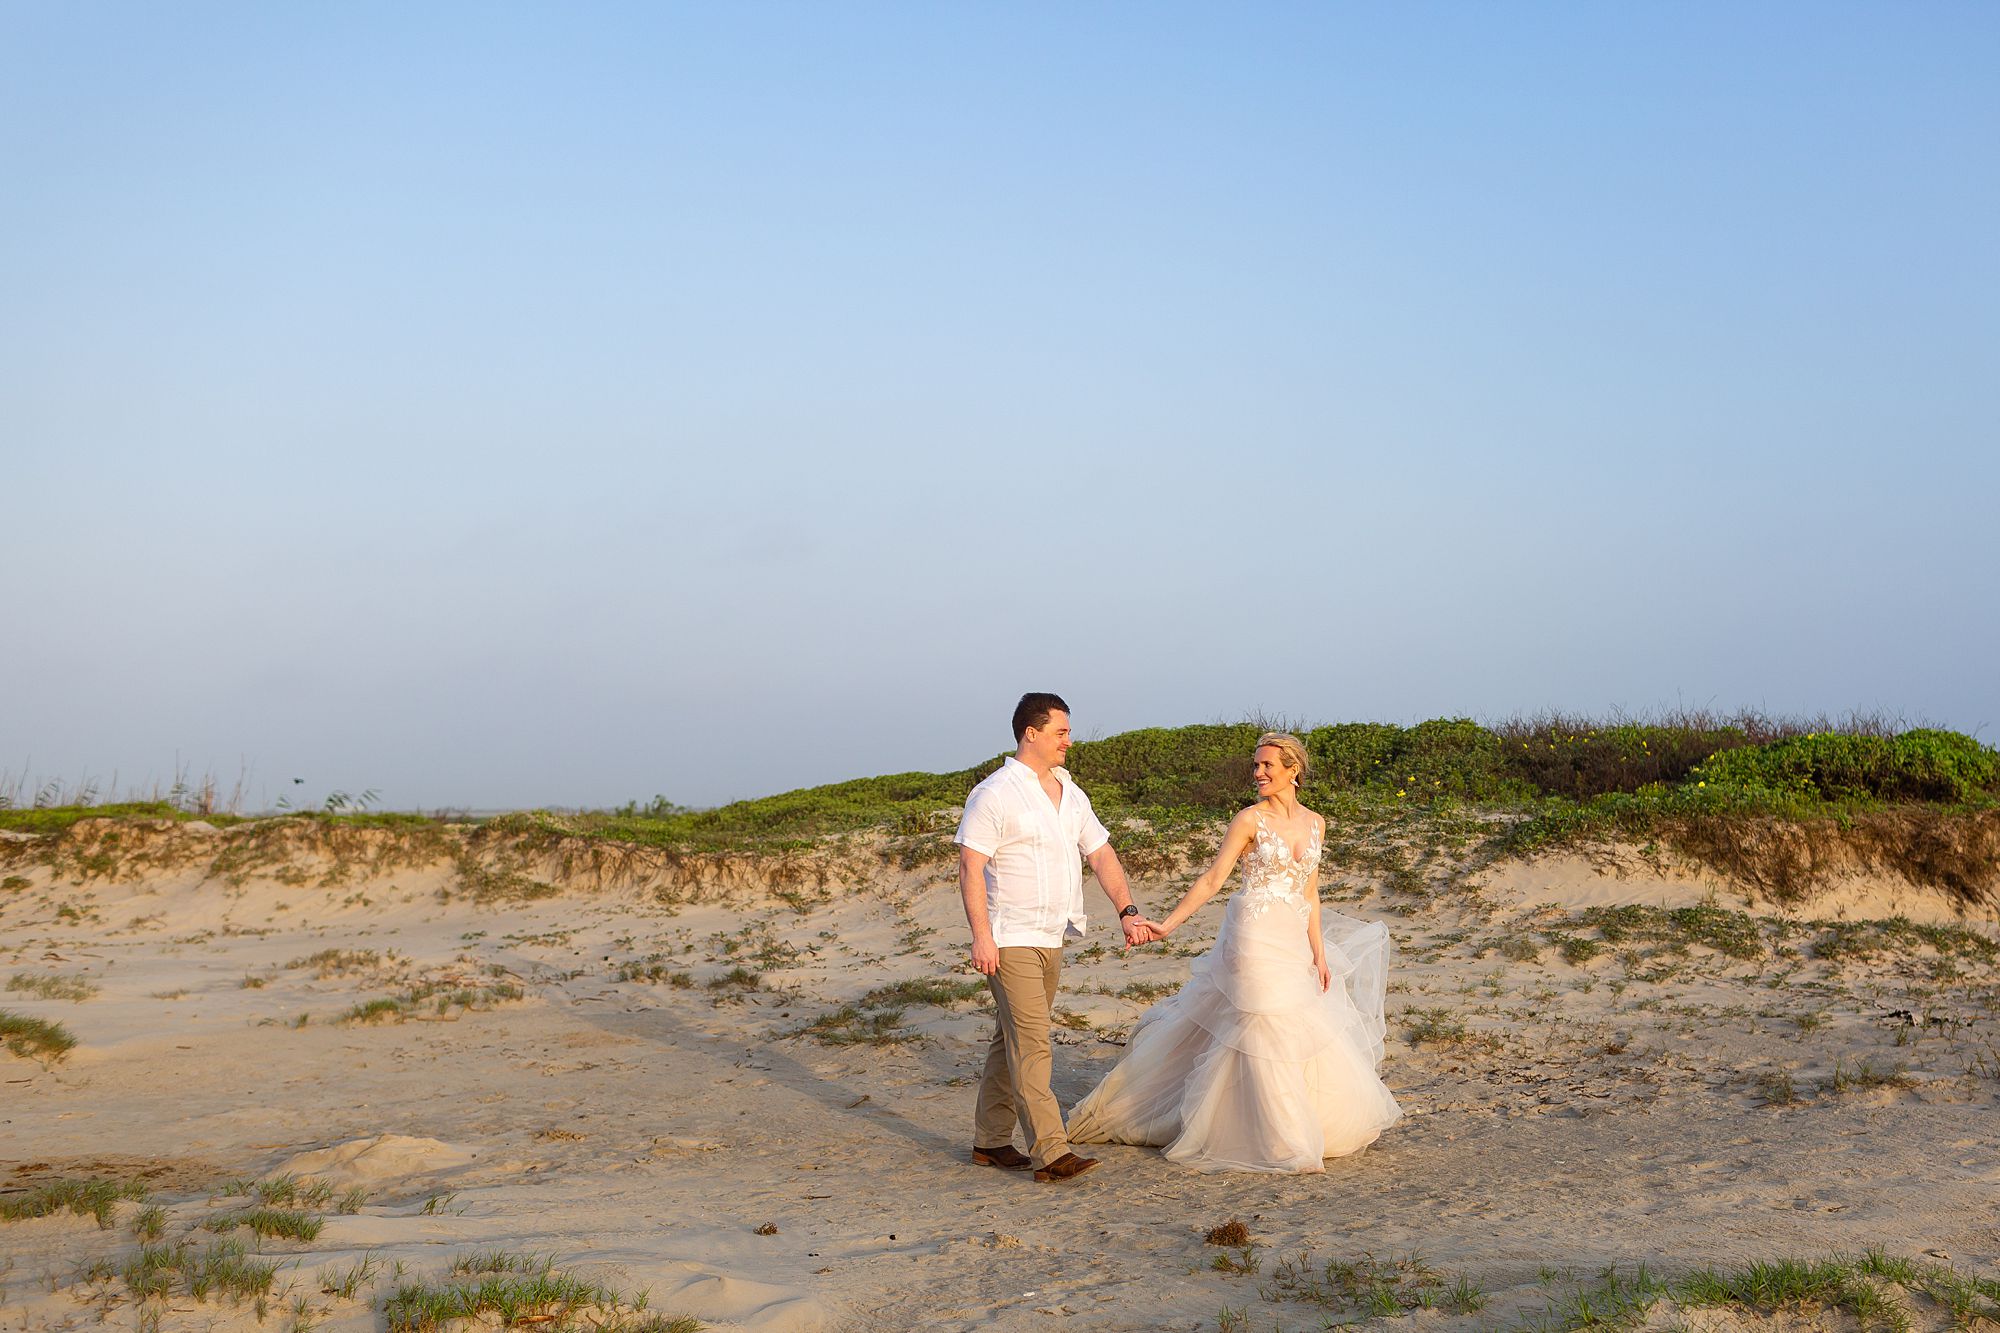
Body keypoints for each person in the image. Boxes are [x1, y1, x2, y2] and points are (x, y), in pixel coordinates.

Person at [1065, 732, 1401, 1173]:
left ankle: (1267, 1120)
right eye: (1256, 766)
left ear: (1293, 770)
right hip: (1253, 933)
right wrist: (1168, 924)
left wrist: (1318, 954)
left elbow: (1311, 894)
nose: (1259, 773)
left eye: (1268, 766)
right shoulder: (1249, 820)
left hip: (1291, 939)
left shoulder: (1316, 823)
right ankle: (1285, 1140)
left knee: (1287, 1024)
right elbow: (1212, 879)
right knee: (1261, 1020)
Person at [957, 692, 1154, 1183]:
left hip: (1052, 935)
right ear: (1032, 733)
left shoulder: (1071, 792)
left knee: (1012, 1040)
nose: (1070, 740)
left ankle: (990, 1141)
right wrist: (982, 937)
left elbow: (1102, 854)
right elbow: (970, 866)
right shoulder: (994, 793)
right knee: (1034, 1043)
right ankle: (1050, 1151)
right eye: (1061, 731)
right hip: (1010, 937)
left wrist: (1127, 911)